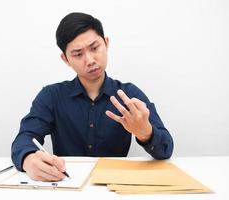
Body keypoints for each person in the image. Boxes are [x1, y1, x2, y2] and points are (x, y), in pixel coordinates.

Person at [11, 12, 174, 182]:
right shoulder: (51, 96)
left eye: (95, 48)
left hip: (114, 186)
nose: (90, 60)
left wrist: (146, 133)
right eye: (78, 54)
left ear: (106, 43)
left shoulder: (128, 95)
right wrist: (28, 159)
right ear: (65, 59)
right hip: (66, 185)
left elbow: (166, 149)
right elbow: (24, 138)